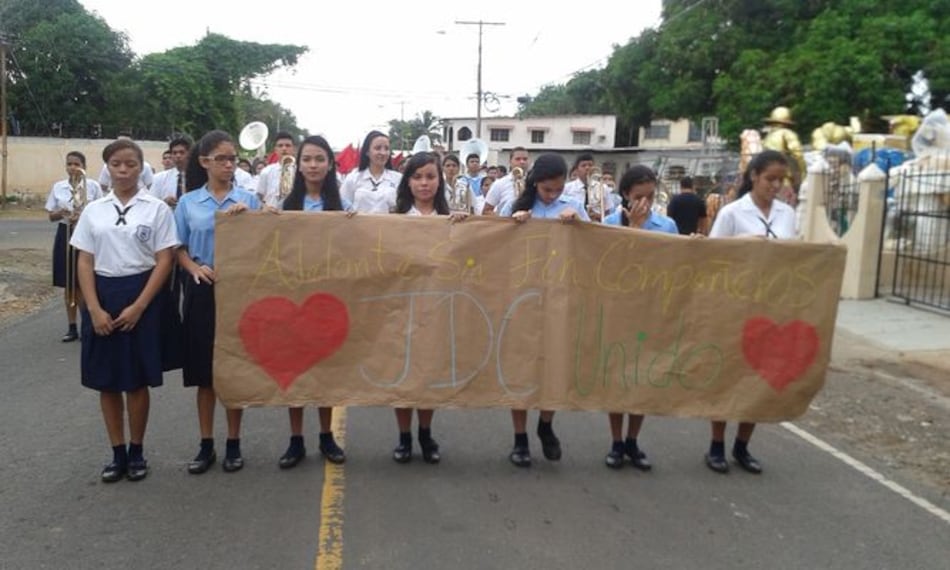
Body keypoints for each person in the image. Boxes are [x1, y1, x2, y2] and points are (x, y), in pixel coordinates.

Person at [69, 139, 179, 482]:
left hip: (141, 292)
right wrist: (94, 309)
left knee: (136, 380)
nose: (123, 170)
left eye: (131, 164)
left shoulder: (156, 208)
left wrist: (140, 306)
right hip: (102, 292)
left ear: (140, 168)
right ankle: (116, 452)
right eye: (116, 164)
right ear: (108, 168)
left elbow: (165, 259)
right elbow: (84, 260)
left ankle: (137, 450)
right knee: (107, 380)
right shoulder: (94, 210)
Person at [175, 130, 262, 474]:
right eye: (222, 159)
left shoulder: (248, 200)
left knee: (234, 369)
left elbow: (265, 244)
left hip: (238, 292)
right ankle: (206, 443)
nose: (229, 165)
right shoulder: (188, 203)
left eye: (232, 158)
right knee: (204, 372)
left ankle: (234, 442)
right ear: (204, 162)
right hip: (201, 290)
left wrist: (251, 220)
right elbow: (177, 247)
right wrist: (194, 268)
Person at [704, 150, 796, 475]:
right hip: (735, 305)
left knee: (758, 377)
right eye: (770, 178)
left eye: (780, 180)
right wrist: (743, 243)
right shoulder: (732, 213)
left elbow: (795, 257)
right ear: (754, 176)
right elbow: (712, 256)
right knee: (728, 376)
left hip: (771, 307)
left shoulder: (787, 214)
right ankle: (716, 443)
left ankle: (742, 446)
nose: (775, 185)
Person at [499, 153, 589, 467]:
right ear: (535, 182)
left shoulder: (575, 208)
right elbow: (493, 242)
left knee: (554, 364)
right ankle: (520, 439)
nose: (552, 195)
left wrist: (578, 226)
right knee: (520, 367)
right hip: (522, 299)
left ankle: (546, 424)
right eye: (547, 190)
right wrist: (513, 224)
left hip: (559, 298)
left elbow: (593, 248)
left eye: (557, 190)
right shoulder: (516, 206)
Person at [272, 135, 349, 468]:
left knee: (326, 371)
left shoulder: (340, 207)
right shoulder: (285, 207)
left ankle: (326, 436)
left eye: (320, 159)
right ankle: (295, 439)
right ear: (298, 164)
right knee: (294, 370)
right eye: (308, 159)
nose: (313, 165)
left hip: (327, 300)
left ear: (330, 164)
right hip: (292, 298)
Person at [389, 152, 468, 463]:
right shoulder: (393, 219)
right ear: (408, 182)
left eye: (430, 177)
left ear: (440, 181)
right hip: (400, 307)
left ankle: (425, 432)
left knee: (429, 372)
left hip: (438, 307)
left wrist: (465, 229)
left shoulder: (451, 220)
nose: (424, 183)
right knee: (402, 372)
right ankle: (404, 436)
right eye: (418, 177)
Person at [601, 165, 678, 470]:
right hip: (620, 313)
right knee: (618, 379)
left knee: (643, 379)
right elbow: (612, 270)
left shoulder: (667, 225)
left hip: (651, 311)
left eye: (650, 196)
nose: (645, 203)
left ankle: (633, 441)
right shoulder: (609, 224)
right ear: (625, 196)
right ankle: (616, 441)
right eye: (638, 197)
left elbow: (675, 268)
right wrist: (632, 227)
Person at [45, 151, 104, 342]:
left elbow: (101, 212)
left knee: (85, 282)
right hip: (66, 232)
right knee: (69, 283)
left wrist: (83, 216)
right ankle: (72, 327)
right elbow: (50, 216)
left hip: (87, 235)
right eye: (69, 164)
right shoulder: (59, 187)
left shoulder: (93, 186)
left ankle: (88, 321)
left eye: (76, 164)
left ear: (84, 166)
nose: (72, 168)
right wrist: (62, 212)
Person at [340, 130, 401, 214]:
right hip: (358, 226)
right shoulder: (353, 178)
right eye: (377, 148)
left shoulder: (398, 179)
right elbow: (342, 207)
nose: (383, 153)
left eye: (386, 148)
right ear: (367, 152)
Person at [482, 147, 529, 215]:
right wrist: (502, 216)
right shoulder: (500, 184)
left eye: (525, 159)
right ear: (510, 162)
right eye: (517, 159)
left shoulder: (534, 182)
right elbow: (486, 211)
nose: (522, 162)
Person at [149, 136, 192, 208]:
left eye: (182, 152)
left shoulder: (198, 177)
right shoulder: (159, 178)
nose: (178, 156)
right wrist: (164, 202)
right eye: (174, 153)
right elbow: (150, 203)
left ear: (189, 154)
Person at [256, 131, 297, 204]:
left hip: (295, 214)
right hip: (271, 214)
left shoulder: (301, 171)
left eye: (288, 145)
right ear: (275, 149)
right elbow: (260, 196)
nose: (284, 148)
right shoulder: (266, 172)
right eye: (280, 146)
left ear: (293, 149)